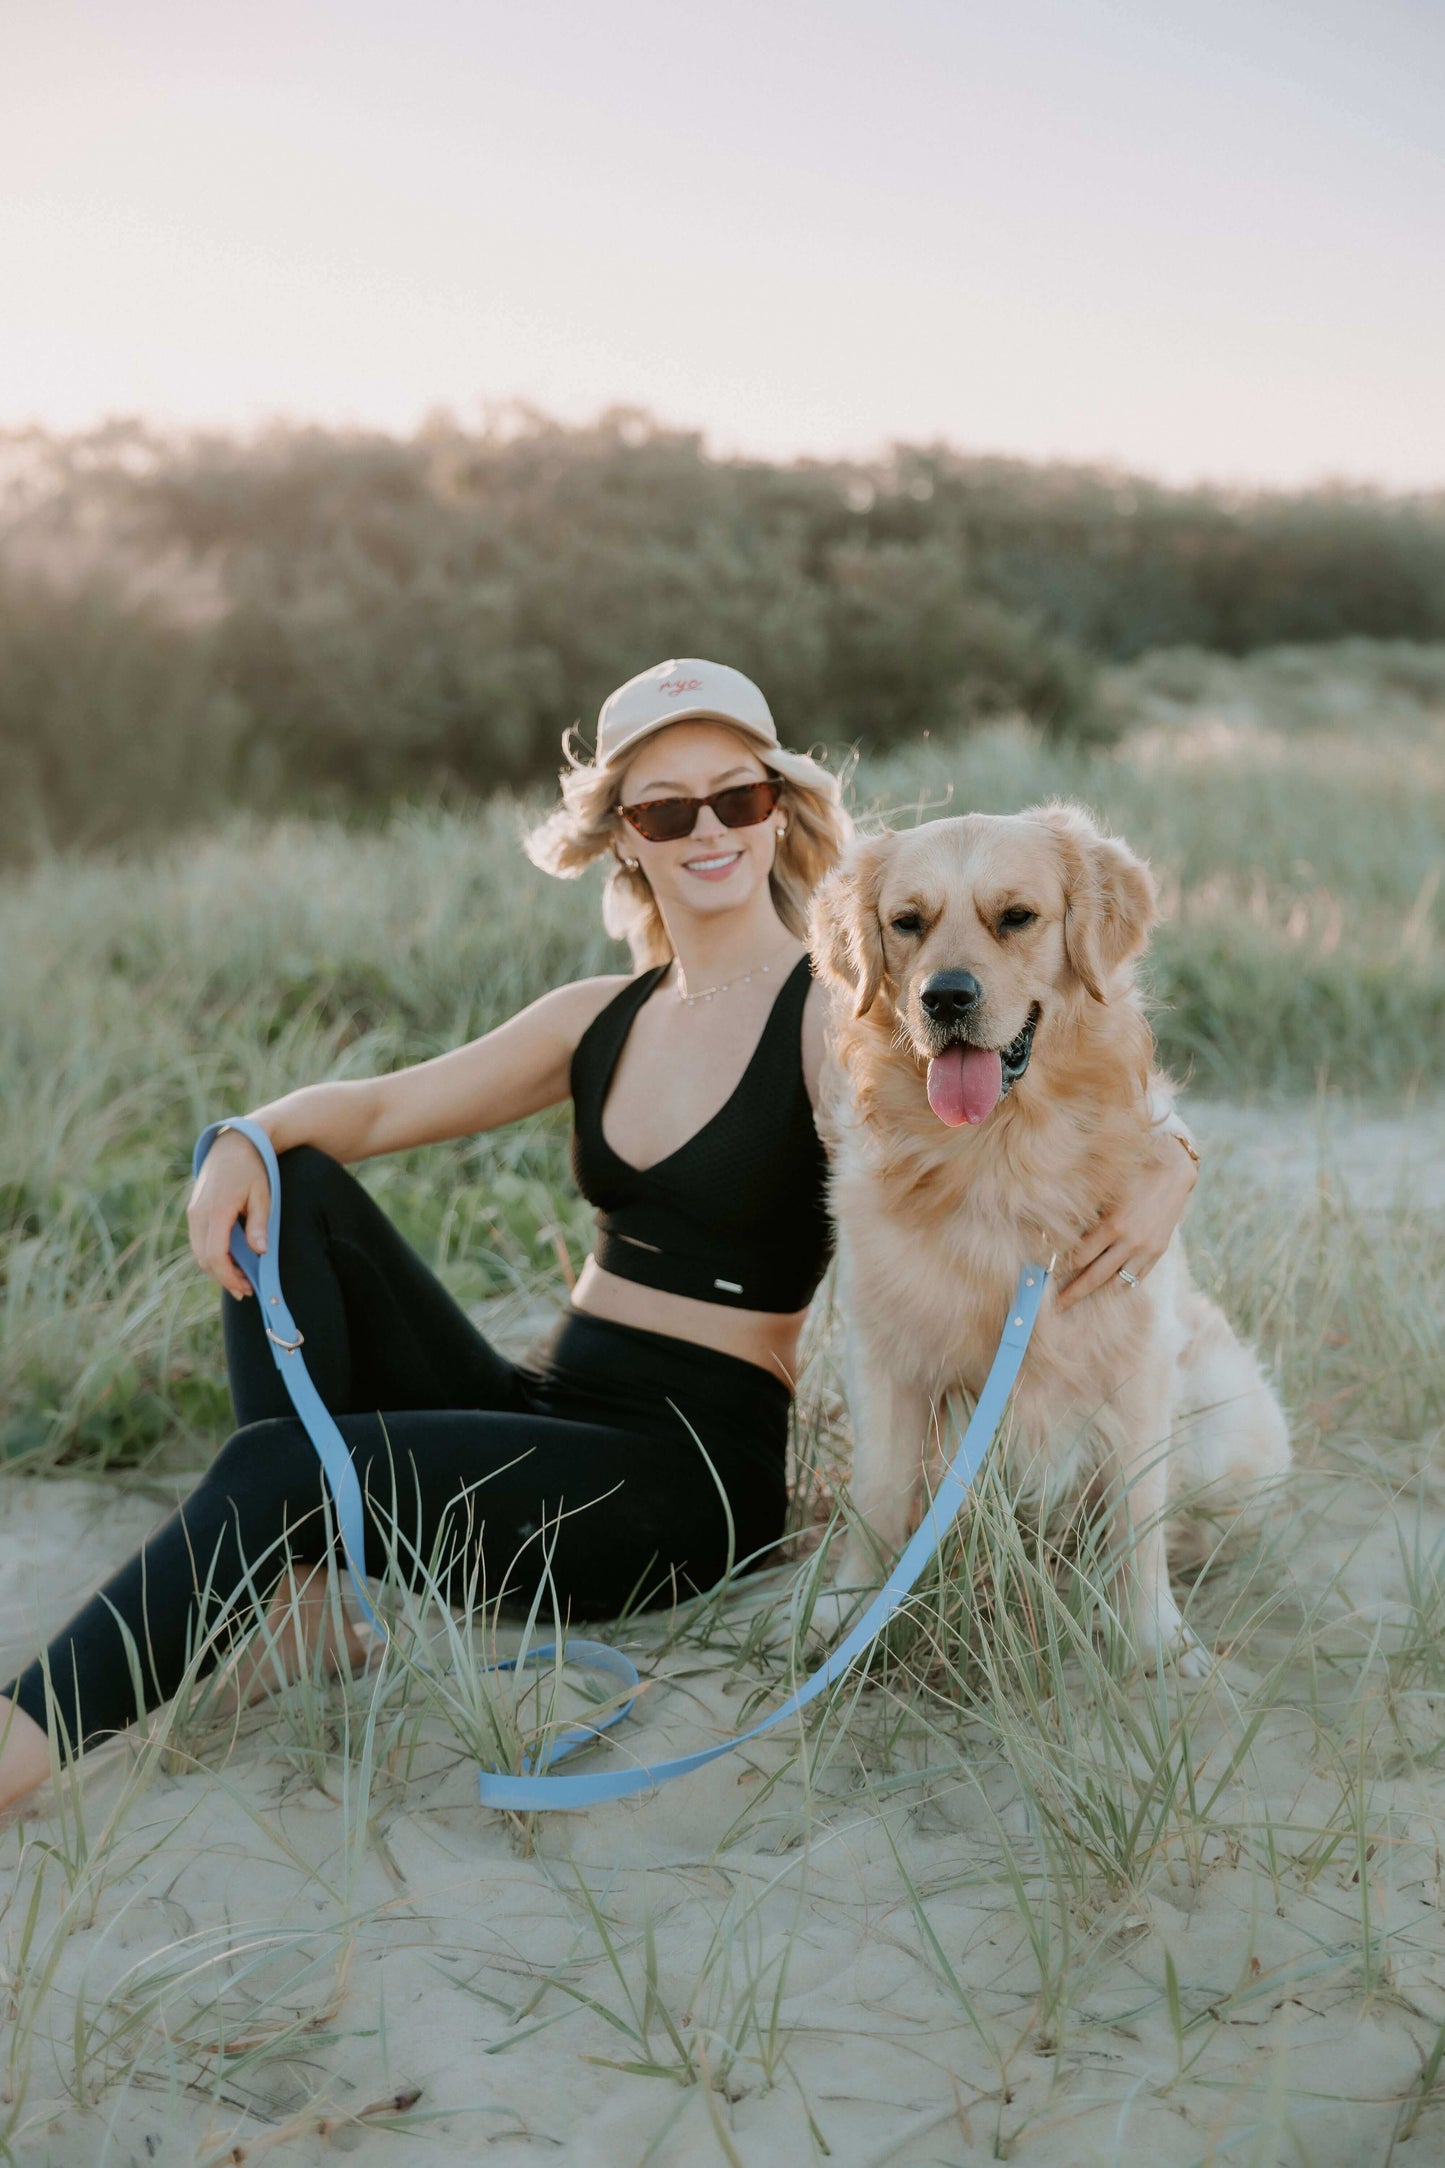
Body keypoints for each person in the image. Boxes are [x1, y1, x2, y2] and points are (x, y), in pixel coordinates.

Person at [0, 658, 1200, 1812]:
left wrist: (1170, 1165)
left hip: (679, 1478)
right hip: (548, 1410)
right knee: (294, 1179)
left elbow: (1019, 1125)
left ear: (778, 811)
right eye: (666, 808)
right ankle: (307, 1595)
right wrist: (240, 1137)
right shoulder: (599, 1016)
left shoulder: (838, 1011)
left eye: (735, 795)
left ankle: (22, 1740)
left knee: (273, 1471)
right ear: (625, 833)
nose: (706, 829)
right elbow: (370, 1108)